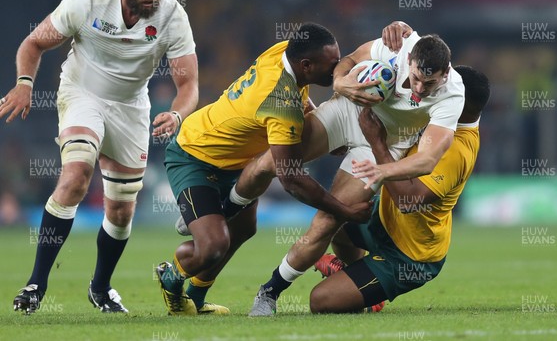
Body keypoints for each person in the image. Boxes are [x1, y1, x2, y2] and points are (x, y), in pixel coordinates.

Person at [1, 0, 198, 314]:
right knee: (76, 174)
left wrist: (177, 114)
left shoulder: (172, 15)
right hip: (82, 94)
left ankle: (101, 287)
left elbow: (188, 86)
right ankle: (36, 283)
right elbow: (35, 42)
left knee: (122, 210)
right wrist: (25, 82)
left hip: (131, 107)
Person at [244, 22, 466, 316]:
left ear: (446, 74)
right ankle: (230, 206)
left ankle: (269, 293)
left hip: (381, 147)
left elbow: (427, 160)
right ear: (409, 60)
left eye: (431, 83)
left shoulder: (452, 94)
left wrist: (382, 171)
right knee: (269, 163)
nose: (421, 89)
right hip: (349, 111)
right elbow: (347, 60)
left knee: (327, 221)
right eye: (416, 79)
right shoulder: (396, 45)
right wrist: (340, 82)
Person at [155, 22, 371, 316]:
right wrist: (343, 211)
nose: (336, 71)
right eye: (331, 65)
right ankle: (171, 277)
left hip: (236, 158)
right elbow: (292, 179)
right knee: (214, 245)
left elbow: (296, 93)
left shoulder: (284, 52)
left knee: (243, 228)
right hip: (195, 155)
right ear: (306, 65)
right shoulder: (280, 105)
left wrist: (318, 119)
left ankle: (196, 295)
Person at [309, 65, 490, 312]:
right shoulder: (443, 118)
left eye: (448, 90)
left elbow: (408, 200)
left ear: (462, 101)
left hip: (409, 256)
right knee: (337, 215)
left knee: (321, 301)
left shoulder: (456, 149)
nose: (437, 92)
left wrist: (377, 143)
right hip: (383, 220)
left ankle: (365, 291)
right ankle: (358, 281)